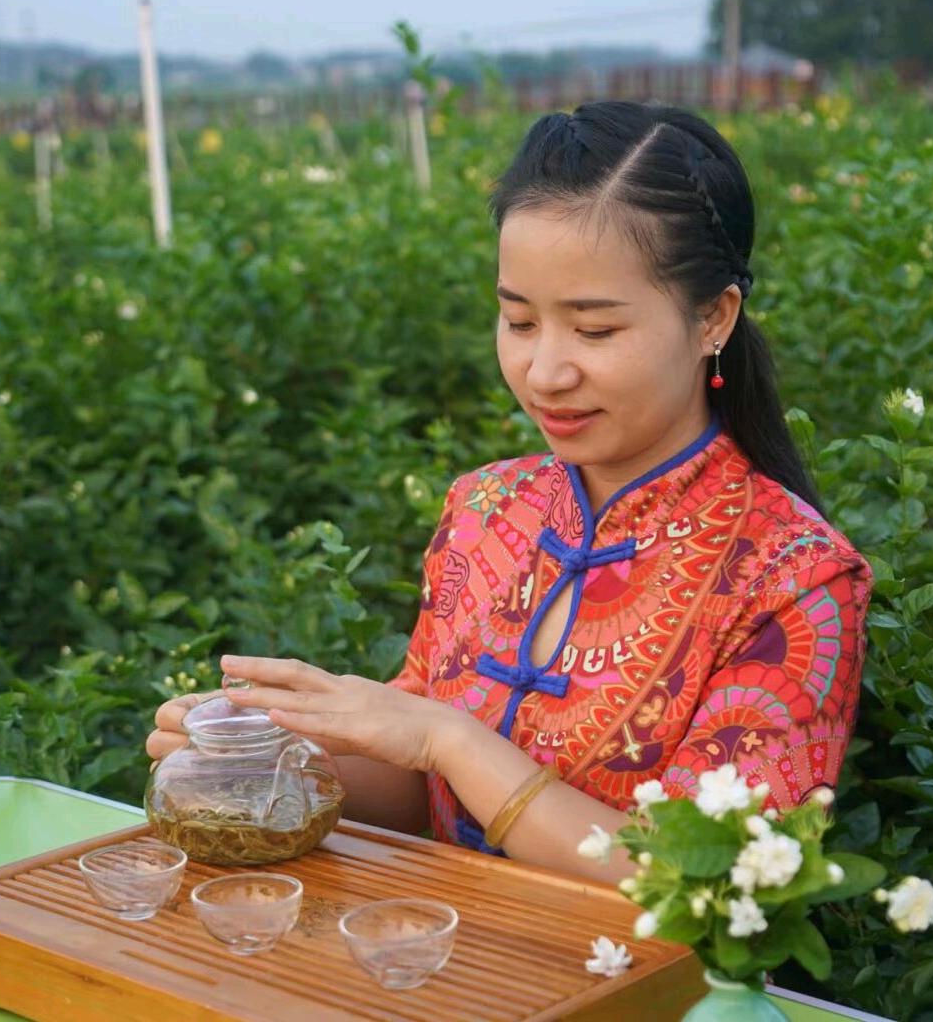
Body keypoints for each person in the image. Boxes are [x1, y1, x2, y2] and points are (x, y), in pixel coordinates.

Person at [146, 101, 872, 886]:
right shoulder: (486, 512)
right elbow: (419, 795)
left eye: (594, 331)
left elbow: (714, 882)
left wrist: (451, 740)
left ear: (712, 319)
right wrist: (267, 760)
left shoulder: (795, 579)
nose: (545, 371)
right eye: (519, 320)